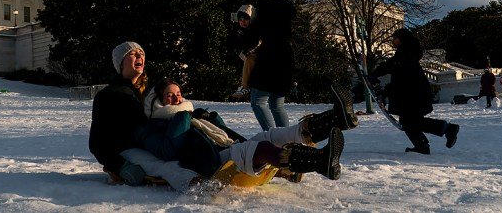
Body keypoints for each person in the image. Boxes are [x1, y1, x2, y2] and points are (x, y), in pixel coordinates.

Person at [136, 78, 353, 182]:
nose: (177, 98)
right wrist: (181, 117)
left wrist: (210, 117)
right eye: (170, 95)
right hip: (212, 162)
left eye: (179, 93)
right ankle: (320, 161)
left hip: (228, 146)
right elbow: (166, 151)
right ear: (158, 101)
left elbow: (222, 132)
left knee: (274, 134)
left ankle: (337, 118)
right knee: (264, 148)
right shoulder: (154, 126)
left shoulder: (192, 114)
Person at [89, 41, 200, 192]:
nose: (139, 55)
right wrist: (119, 166)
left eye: (141, 53)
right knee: (164, 165)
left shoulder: (148, 95)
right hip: (127, 150)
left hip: (154, 143)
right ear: (121, 63)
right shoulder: (108, 95)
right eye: (133, 54)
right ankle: (199, 187)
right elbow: (96, 142)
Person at [371, 29, 459, 155]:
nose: (392, 40)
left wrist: (384, 88)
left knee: (410, 122)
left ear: (401, 39)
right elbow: (390, 66)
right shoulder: (405, 53)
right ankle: (425, 143)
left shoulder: (405, 54)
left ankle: (446, 130)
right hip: (413, 94)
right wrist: (375, 75)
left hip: (413, 95)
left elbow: (401, 77)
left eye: (394, 37)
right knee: (409, 122)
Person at [241, 0, 296, 130]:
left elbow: (253, 36)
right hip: (286, 57)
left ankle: (274, 139)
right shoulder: (288, 10)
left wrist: (245, 39)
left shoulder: (265, 10)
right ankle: (286, 140)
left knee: (257, 101)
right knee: (277, 105)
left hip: (269, 59)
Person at [229, 4, 257, 99]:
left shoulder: (254, 30)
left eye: (245, 19)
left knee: (249, 59)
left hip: (258, 55)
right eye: (240, 20)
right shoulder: (239, 31)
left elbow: (258, 43)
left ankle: (245, 87)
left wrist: (248, 51)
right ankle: (244, 86)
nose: (243, 22)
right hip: (247, 56)